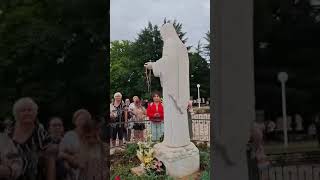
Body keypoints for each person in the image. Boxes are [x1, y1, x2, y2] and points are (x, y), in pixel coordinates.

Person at [8, 97, 57, 180]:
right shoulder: (7, 133)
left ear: (35, 113)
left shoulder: (42, 135)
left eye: (30, 110)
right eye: (23, 110)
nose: (27, 113)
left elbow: (50, 163)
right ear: (16, 114)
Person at [59, 109, 92, 180]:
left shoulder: (92, 136)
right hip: (72, 168)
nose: (81, 122)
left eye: (84, 119)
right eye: (79, 119)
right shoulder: (69, 135)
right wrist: (70, 157)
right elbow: (60, 153)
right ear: (75, 121)